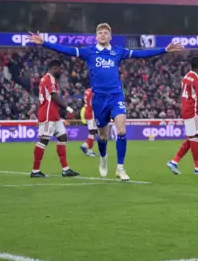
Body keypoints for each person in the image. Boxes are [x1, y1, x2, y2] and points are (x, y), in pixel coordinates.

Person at [28, 24, 184, 181]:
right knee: (102, 136)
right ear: (96, 37)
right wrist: (44, 43)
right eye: (100, 33)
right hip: (99, 100)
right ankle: (103, 157)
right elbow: (65, 49)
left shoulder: (118, 51)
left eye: (106, 33)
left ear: (110, 37)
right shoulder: (88, 52)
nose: (103, 35)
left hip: (116, 96)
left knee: (121, 131)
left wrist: (164, 49)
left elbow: (140, 54)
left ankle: (120, 168)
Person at [31, 60, 80, 178]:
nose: (61, 71)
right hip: (48, 115)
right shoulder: (49, 79)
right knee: (43, 140)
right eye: (60, 69)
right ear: (54, 68)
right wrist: (70, 110)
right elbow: (54, 97)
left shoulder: (50, 79)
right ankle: (35, 170)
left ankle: (65, 169)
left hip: (54, 115)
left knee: (63, 137)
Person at [167, 56, 198, 175]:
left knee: (192, 137)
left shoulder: (186, 77)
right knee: (195, 138)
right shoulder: (197, 80)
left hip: (186, 109)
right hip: (194, 111)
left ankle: (174, 161)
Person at [79, 87, 98, 157]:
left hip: (87, 111)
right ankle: (87, 148)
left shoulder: (87, 90)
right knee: (92, 132)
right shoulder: (94, 93)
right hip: (91, 113)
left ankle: (88, 149)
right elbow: (93, 104)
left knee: (93, 132)